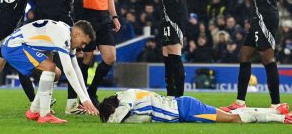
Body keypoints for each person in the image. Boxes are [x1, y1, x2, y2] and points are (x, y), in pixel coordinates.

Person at [218, 0, 281, 111]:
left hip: (265, 17)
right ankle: (240, 103)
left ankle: (277, 104)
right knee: (244, 56)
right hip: (258, 17)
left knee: (268, 59)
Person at [1, 19, 98, 123]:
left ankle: (33, 110)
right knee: (50, 66)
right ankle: (45, 114)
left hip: (17, 45)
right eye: (83, 43)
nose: (83, 47)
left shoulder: (68, 34)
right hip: (13, 46)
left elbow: (76, 69)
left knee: (56, 73)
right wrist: (84, 99)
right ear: (77, 34)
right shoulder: (63, 35)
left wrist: (87, 99)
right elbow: (69, 70)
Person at [67, 0, 121, 113]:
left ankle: (92, 91)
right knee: (86, 57)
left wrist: (114, 16)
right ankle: (82, 98)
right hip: (87, 16)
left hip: (103, 17)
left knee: (110, 57)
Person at [33, 0, 86, 114]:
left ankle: (42, 104)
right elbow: (78, 1)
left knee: (47, 63)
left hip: (40, 15)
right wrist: (79, 27)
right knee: (74, 56)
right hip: (60, 16)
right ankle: (73, 104)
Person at [98, 89, 291, 124]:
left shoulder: (128, 98)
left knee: (233, 119)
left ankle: (280, 118)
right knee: (227, 113)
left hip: (186, 110)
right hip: (184, 106)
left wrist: (108, 121)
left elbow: (116, 120)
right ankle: (275, 110)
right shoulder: (129, 98)